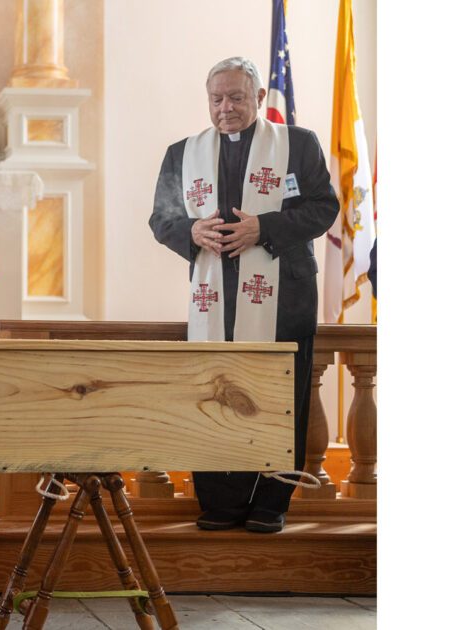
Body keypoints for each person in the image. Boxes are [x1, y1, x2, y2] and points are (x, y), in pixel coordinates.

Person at [149, 57, 338, 533]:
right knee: (213, 392)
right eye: (217, 99)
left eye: (236, 97)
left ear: (258, 98)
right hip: (215, 295)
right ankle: (220, 502)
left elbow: (324, 208)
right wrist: (192, 231)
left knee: (279, 396)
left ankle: (272, 501)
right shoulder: (183, 153)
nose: (225, 108)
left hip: (285, 296)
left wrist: (264, 228)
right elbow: (161, 220)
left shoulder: (297, 144)